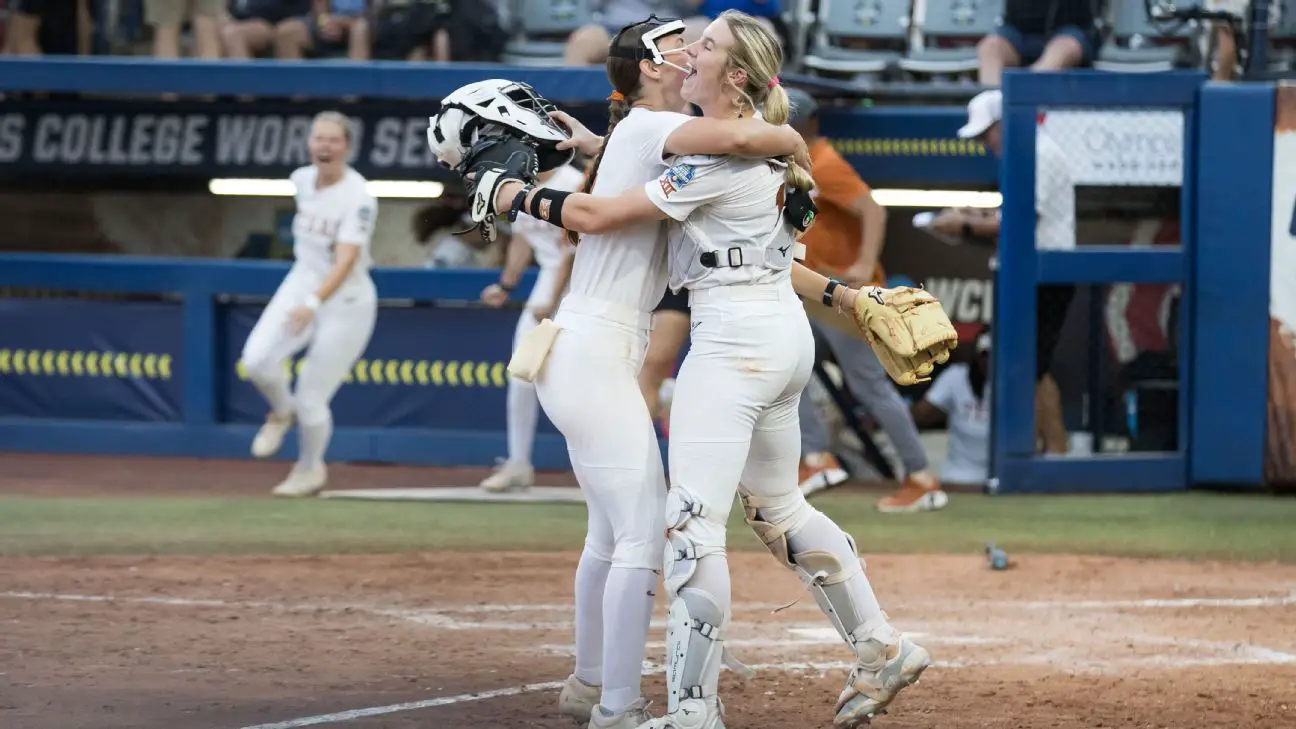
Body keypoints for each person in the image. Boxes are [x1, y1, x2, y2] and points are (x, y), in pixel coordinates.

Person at [480, 11, 931, 728]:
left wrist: (511, 193)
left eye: (709, 47)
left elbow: (599, 216)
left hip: (731, 345)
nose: (691, 53)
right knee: (780, 508)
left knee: (689, 529)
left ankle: (692, 712)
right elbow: (765, 251)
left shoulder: (721, 157)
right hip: (781, 340)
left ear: (738, 75)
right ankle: (881, 645)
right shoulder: (759, 152)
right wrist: (847, 295)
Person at [434, 19, 810, 729]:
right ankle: (618, 707)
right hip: (595, 346)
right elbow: (739, 140)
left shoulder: (637, 133)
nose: (690, 51)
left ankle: (588, 684)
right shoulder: (652, 125)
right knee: (644, 532)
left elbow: (638, 171)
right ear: (648, 63)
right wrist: (791, 137)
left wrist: (584, 149)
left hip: (587, 346)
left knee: (610, 535)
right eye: (679, 45)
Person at [782, 86, 946, 512]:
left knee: (870, 386)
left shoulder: (824, 159)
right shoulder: (794, 161)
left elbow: (874, 209)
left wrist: (864, 260)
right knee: (785, 361)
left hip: (845, 294)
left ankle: (920, 476)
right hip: (817, 291)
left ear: (805, 122)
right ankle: (816, 457)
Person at [928, 89, 1076, 455]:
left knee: (1032, 369)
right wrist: (973, 219)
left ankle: (1052, 454)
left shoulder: (1038, 153)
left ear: (1005, 123)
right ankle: (1048, 453)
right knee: (1031, 368)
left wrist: (964, 224)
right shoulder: (1027, 153)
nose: (982, 142)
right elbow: (1016, 218)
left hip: (1042, 274)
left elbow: (1024, 221)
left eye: (986, 133)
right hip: (1030, 272)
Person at [241, 111, 378, 497]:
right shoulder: (301, 180)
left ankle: (309, 468)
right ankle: (280, 411)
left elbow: (347, 258)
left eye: (333, 140)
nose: (325, 146)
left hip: (345, 300)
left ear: (347, 148)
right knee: (256, 361)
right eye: (319, 138)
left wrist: (315, 303)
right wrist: (307, 297)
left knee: (312, 397)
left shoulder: (359, 197)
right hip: (301, 282)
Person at [477, 162, 584, 492]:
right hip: (547, 287)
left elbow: (575, 250)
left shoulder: (575, 182)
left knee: (585, 381)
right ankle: (518, 464)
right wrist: (506, 285)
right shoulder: (516, 183)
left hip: (582, 287)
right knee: (521, 374)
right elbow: (522, 238)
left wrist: (552, 301)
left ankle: (597, 471)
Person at [913, 325, 992, 489]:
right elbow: (920, 415)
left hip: (998, 478)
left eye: (994, 355)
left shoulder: (1015, 382)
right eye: (985, 355)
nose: (989, 361)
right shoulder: (956, 376)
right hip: (958, 476)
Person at [975, 0, 1100, 86]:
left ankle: (1025, 95)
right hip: (1018, 31)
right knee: (990, 47)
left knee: (1064, 48)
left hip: (1070, 29)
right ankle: (994, 108)